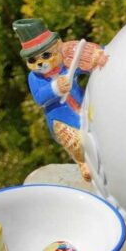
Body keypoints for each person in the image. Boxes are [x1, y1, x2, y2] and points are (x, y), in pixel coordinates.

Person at [13, 18, 108, 181]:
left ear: (58, 45)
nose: (40, 63)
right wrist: (55, 88)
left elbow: (87, 64)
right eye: (32, 60)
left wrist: (99, 57)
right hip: (62, 119)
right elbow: (39, 98)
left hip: (83, 107)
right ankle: (83, 162)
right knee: (76, 141)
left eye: (46, 55)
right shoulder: (34, 77)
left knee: (100, 128)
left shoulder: (67, 63)